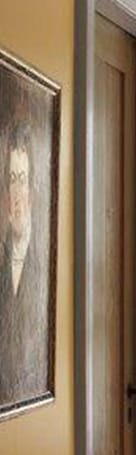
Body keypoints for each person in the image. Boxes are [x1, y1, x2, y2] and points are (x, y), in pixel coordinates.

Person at [0, 121, 47, 408]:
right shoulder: (4, 252)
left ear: (32, 189)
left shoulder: (39, 262)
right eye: (9, 179)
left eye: (21, 179)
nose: (15, 195)